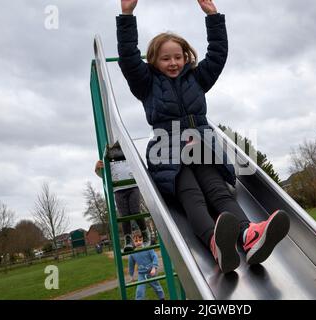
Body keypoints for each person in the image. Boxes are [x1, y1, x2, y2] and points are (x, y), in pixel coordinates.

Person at [116, 0, 290, 273]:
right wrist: (127, 15)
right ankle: (215, 242)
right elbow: (128, 57)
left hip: (201, 146)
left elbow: (218, 54)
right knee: (192, 195)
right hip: (168, 150)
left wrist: (213, 16)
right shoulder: (146, 84)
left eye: (178, 56)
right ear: (153, 61)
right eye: (165, 58)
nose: (173, 62)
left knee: (218, 191)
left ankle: (248, 236)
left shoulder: (197, 79)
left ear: (186, 57)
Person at [95, 159, 151, 252]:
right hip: (118, 189)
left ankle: (145, 232)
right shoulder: (109, 155)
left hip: (133, 185)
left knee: (135, 211)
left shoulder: (126, 149)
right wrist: (97, 169)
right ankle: (128, 240)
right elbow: (104, 175)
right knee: (124, 215)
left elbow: (139, 164)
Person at [128, 229, 165, 300]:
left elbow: (154, 257)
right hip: (141, 274)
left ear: (142, 240)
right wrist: (131, 275)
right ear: (133, 242)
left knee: (157, 287)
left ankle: (162, 299)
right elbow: (131, 264)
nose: (138, 242)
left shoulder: (148, 248)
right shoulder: (132, 253)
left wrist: (154, 268)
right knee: (139, 291)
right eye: (136, 241)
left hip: (151, 272)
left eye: (140, 240)